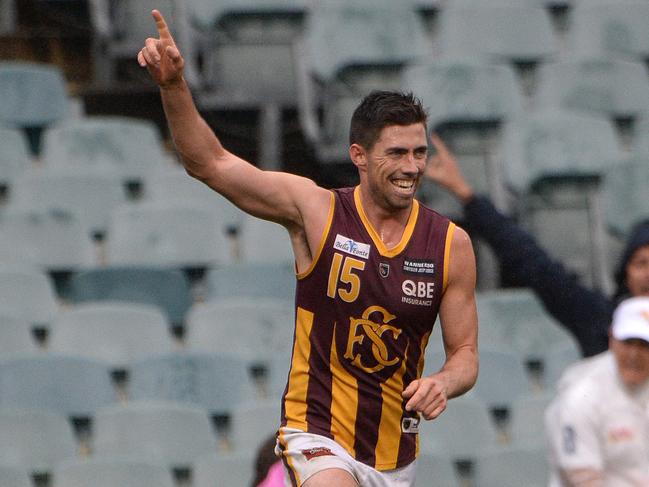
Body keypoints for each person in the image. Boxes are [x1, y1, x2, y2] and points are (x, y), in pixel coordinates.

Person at [137, 10, 478, 487]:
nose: (412, 167)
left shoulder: (450, 244)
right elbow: (210, 163)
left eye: (419, 152)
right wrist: (174, 87)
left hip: (394, 455)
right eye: (396, 153)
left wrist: (443, 382)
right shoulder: (315, 211)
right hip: (316, 431)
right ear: (358, 155)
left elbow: (465, 355)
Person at [424, 134, 649, 357]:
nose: (648, 274)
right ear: (626, 273)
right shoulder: (599, 318)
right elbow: (534, 263)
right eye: (641, 263)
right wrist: (466, 194)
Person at [545, 296, 649, 486]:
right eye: (628, 342)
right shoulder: (581, 394)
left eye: (645, 345)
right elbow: (584, 480)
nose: (635, 354)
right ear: (611, 338)